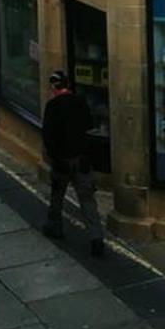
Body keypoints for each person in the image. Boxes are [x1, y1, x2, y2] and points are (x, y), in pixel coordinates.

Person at [41, 69, 105, 257]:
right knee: (87, 200)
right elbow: (89, 128)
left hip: (62, 160)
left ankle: (55, 227)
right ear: (68, 84)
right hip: (81, 159)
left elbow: (48, 136)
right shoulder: (80, 102)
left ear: (54, 86)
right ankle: (96, 237)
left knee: (57, 196)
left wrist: (54, 157)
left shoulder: (52, 106)